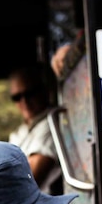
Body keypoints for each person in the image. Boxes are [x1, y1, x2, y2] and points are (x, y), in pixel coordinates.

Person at [7, 66, 62, 196]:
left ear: (44, 91)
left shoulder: (52, 122)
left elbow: (29, 180)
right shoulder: (19, 132)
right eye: (17, 97)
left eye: (30, 93)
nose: (24, 101)